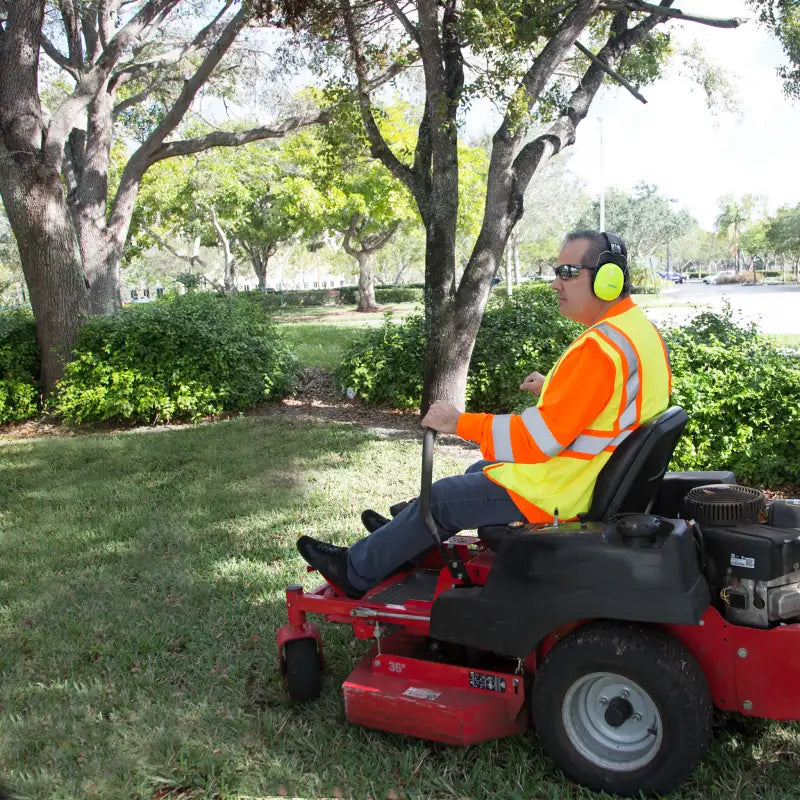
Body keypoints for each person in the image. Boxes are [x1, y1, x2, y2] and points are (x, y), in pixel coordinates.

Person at [297, 230, 672, 598]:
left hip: (567, 491)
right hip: (591, 478)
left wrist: (458, 422)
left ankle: (355, 571)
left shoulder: (599, 348)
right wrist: (555, 387)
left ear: (608, 280)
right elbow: (620, 401)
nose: (556, 283)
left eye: (567, 273)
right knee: (477, 471)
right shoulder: (638, 331)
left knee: (443, 498)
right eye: (555, 272)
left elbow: (535, 441)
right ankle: (400, 540)